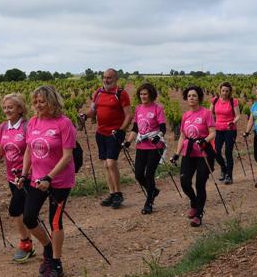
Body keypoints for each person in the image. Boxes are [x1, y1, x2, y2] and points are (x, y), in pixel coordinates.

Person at [20, 85, 77, 277]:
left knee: (55, 220)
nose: (38, 105)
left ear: (52, 101)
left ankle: (56, 262)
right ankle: (47, 246)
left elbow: (68, 156)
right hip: (37, 179)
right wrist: (24, 173)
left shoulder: (64, 123)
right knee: (28, 217)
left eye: (42, 101)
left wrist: (50, 177)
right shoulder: (33, 122)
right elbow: (29, 150)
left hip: (60, 181)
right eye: (35, 101)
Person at [0, 93, 34, 262]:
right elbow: (0, 152)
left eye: (10, 107)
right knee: (24, 211)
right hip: (11, 177)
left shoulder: (28, 126)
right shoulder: (3, 127)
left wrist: (26, 173)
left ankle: (26, 243)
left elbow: (33, 152)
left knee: (15, 210)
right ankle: (31, 241)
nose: (7, 110)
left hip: (27, 176)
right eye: (5, 107)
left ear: (20, 109)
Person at [80, 68, 132, 209]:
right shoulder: (98, 92)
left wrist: (121, 130)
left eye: (109, 78)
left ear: (116, 79)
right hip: (101, 133)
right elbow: (93, 111)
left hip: (114, 133)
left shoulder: (121, 94)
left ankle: (118, 194)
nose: (106, 80)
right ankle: (112, 193)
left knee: (111, 163)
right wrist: (86, 115)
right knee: (105, 165)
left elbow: (129, 115)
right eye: (104, 77)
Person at [171, 85, 215, 227]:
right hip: (189, 152)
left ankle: (199, 214)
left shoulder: (206, 113)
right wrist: (177, 153)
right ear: (186, 98)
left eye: (194, 95)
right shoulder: (185, 116)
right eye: (189, 96)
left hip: (203, 152)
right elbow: (182, 136)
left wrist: (205, 140)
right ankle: (194, 202)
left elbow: (213, 132)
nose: (191, 98)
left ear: (199, 98)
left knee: (200, 184)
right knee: (184, 182)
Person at [123, 83, 166, 214]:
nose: (143, 96)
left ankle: (149, 203)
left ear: (151, 95)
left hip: (155, 146)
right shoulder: (138, 109)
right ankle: (153, 191)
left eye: (145, 94)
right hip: (141, 146)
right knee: (138, 175)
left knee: (149, 174)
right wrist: (128, 142)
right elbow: (136, 128)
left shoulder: (157, 109)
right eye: (141, 94)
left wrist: (159, 136)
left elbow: (163, 128)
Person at [210, 82, 241, 184]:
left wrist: (233, 122)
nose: (225, 93)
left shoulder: (233, 101)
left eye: (227, 91)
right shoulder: (214, 100)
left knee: (228, 152)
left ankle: (229, 176)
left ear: (230, 92)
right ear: (220, 90)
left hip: (230, 129)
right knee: (216, 151)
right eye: (223, 90)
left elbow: (238, 116)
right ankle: (223, 168)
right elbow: (210, 114)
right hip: (218, 129)